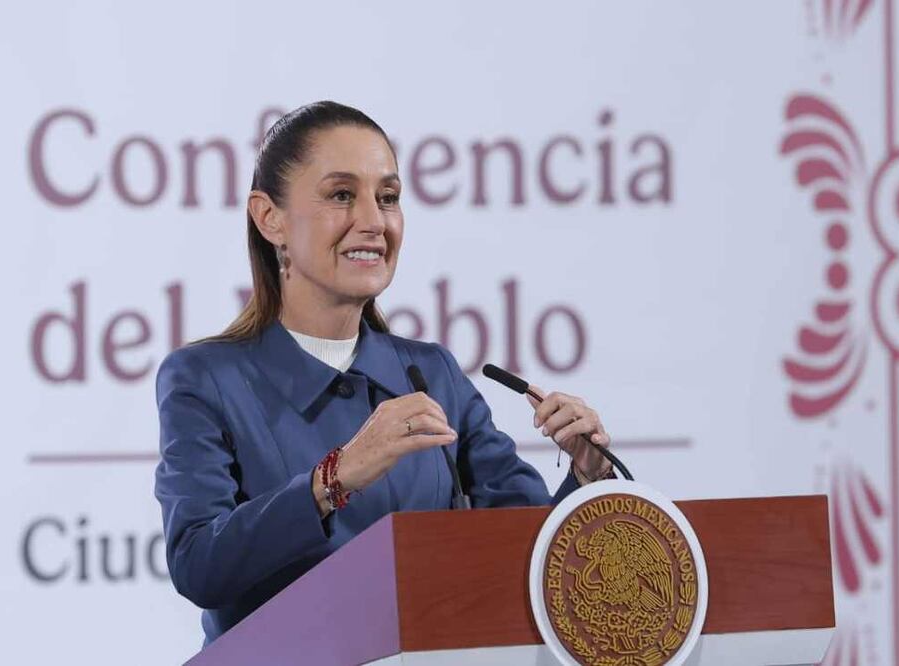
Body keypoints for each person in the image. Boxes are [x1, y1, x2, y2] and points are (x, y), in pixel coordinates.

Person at [154, 101, 615, 645]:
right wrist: (337, 476)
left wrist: (586, 478)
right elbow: (199, 564)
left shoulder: (430, 371)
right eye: (341, 195)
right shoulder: (205, 378)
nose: (373, 221)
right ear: (269, 217)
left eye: (388, 198)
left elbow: (525, 549)